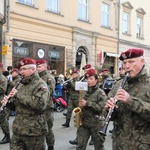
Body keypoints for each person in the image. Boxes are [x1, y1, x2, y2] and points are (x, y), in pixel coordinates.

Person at [105, 48, 150, 150]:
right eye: (124, 62)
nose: (127, 66)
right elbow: (108, 115)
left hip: (141, 145)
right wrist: (109, 109)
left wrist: (131, 101)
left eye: (131, 62)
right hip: (119, 144)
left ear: (142, 61)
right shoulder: (118, 85)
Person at [1, 58, 49, 150]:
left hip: (34, 131)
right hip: (18, 129)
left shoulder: (40, 84)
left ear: (33, 69)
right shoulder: (21, 84)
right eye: (20, 69)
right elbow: (17, 106)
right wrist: (8, 103)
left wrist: (17, 94)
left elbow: (39, 105)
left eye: (24, 69)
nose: (21, 72)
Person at [76, 68, 107, 150]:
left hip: (96, 124)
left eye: (91, 79)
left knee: (99, 147)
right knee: (80, 146)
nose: (88, 81)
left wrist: (87, 104)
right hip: (84, 123)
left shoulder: (101, 93)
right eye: (87, 79)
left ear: (96, 80)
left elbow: (101, 108)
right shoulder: (84, 91)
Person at [69, 63, 94, 146]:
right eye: (85, 70)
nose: (85, 72)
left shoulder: (94, 78)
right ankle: (78, 138)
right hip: (81, 100)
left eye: (87, 70)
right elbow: (76, 89)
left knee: (92, 122)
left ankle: (94, 138)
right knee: (80, 121)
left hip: (90, 101)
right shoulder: (81, 79)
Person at [36, 59, 55, 150]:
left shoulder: (49, 77)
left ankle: (50, 146)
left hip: (47, 107)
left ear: (44, 66)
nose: (37, 68)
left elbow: (50, 92)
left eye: (39, 67)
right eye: (37, 67)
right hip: (37, 107)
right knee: (38, 130)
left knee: (47, 129)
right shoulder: (36, 77)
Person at [0, 63, 9, 144]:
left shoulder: (3, 78)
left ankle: (7, 135)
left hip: (1, 101)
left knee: (2, 119)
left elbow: (2, 89)